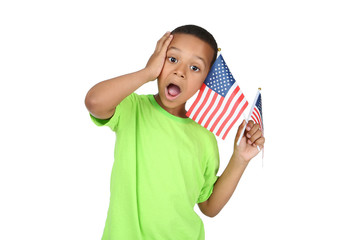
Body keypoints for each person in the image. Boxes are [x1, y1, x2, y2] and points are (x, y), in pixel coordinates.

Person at [85, 24, 265, 240]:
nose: (180, 71)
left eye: (195, 68)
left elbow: (208, 205)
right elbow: (94, 101)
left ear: (206, 80)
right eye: (172, 59)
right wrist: (147, 72)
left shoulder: (205, 138)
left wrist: (240, 159)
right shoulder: (132, 108)